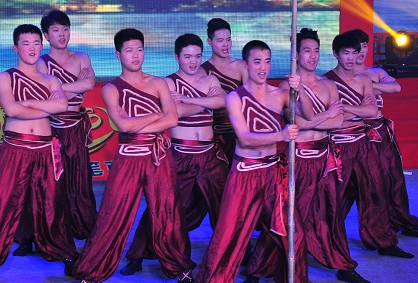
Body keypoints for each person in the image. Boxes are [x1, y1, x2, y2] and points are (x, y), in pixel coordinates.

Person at [243, 29, 369, 283]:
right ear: (296, 55)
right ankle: (259, 269)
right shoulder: (286, 87)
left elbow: (338, 122)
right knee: (288, 216)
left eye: (316, 51)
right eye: (307, 51)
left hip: (325, 158)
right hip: (298, 158)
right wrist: (325, 117)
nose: (312, 56)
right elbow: (295, 124)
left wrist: (320, 121)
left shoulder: (329, 85)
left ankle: (343, 264)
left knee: (330, 214)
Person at [72, 28, 196, 283]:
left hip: (158, 157)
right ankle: (92, 270)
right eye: (129, 50)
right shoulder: (111, 89)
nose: (136, 55)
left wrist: (140, 121)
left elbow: (172, 119)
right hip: (128, 158)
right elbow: (123, 126)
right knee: (113, 214)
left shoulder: (158, 83)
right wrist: (157, 114)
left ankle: (179, 267)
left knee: (168, 212)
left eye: (139, 49)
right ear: (118, 55)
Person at [0, 24, 78, 283]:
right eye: (26, 43)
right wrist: (45, 105)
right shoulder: (5, 77)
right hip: (16, 148)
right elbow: (12, 110)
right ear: (16, 48)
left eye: (36, 43)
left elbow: (62, 105)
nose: (32, 48)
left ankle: (67, 255)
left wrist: (30, 103)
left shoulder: (51, 79)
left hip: (46, 149)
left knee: (53, 204)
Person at [195, 40, 310, 283]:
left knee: (294, 233)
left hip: (273, 173)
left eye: (267, 61)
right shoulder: (234, 98)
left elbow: (306, 116)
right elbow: (245, 138)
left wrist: (299, 90)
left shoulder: (280, 94)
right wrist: (280, 136)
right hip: (244, 172)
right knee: (228, 235)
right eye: (257, 62)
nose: (263, 67)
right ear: (246, 65)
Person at [120, 33, 228, 276]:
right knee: (163, 207)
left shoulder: (210, 78)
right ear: (177, 57)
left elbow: (223, 101)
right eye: (187, 56)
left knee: (226, 206)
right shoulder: (168, 83)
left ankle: (236, 252)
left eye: (197, 56)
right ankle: (137, 254)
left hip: (210, 156)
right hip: (181, 156)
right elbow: (176, 113)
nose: (193, 61)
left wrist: (191, 99)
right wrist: (206, 101)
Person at [14, 10, 97, 255]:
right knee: (44, 183)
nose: (62, 34)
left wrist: (57, 89)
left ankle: (81, 226)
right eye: (56, 30)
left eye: (65, 29)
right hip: (50, 128)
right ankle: (32, 235)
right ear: (47, 35)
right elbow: (44, 94)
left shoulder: (82, 57)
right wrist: (68, 89)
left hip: (76, 127)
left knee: (79, 180)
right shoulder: (41, 62)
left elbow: (89, 84)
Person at [323, 32, 413, 259]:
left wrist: (345, 108)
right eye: (346, 53)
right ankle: (324, 242)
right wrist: (355, 112)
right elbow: (332, 119)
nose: (351, 58)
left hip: (364, 143)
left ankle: (383, 241)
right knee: (336, 198)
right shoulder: (326, 81)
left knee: (375, 191)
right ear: (335, 54)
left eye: (355, 53)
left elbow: (372, 111)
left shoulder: (365, 79)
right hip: (339, 146)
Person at [348, 29, 418, 239]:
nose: (361, 52)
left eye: (364, 47)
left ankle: (403, 221)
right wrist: (371, 87)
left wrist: (368, 85)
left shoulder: (375, 72)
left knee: (395, 178)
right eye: (357, 48)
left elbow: (396, 87)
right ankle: (328, 231)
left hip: (382, 131)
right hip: (359, 134)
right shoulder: (343, 76)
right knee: (361, 185)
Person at [201, 18, 248, 164]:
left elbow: (251, 100)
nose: (225, 45)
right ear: (209, 42)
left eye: (228, 40)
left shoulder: (241, 66)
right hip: (213, 135)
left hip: (239, 132)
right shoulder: (203, 70)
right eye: (220, 41)